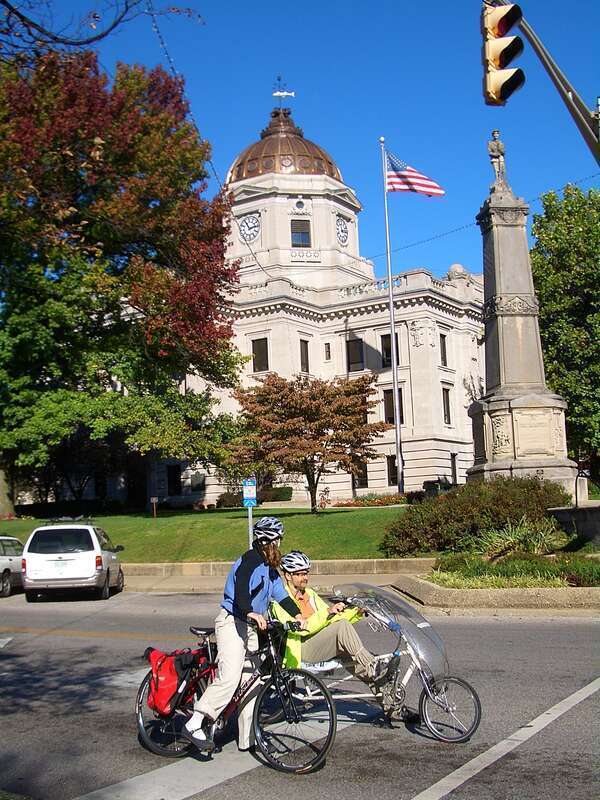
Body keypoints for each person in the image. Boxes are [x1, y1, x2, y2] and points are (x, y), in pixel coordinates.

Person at [183, 517, 304, 752]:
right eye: (278, 539)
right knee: (230, 676)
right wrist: (251, 612)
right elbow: (240, 594)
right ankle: (194, 722)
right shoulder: (250, 560)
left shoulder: (270, 567)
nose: (279, 543)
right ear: (268, 539)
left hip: (249, 626)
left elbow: (281, 594)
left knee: (252, 681)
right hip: (232, 622)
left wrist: (297, 614)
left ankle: (247, 739)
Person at [271, 550, 386, 685]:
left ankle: (388, 698)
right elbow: (300, 629)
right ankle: (371, 664)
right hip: (302, 648)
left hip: (320, 642)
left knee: (351, 653)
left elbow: (331, 617)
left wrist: (357, 612)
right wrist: (327, 612)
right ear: (288, 576)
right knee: (341, 628)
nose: (305, 577)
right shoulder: (280, 601)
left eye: (306, 573)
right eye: (300, 574)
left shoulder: (310, 594)